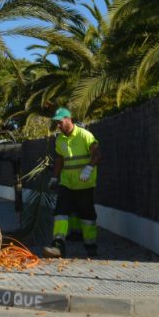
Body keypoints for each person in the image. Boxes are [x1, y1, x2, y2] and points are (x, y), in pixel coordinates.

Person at [43, 107, 100, 259]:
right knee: (60, 212)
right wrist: (54, 177)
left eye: (60, 122)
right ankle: (58, 245)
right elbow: (60, 160)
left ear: (68, 119)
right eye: (56, 123)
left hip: (85, 183)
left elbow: (96, 154)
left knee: (87, 216)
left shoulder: (84, 135)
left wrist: (89, 168)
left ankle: (91, 246)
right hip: (67, 183)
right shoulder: (60, 139)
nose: (58, 126)